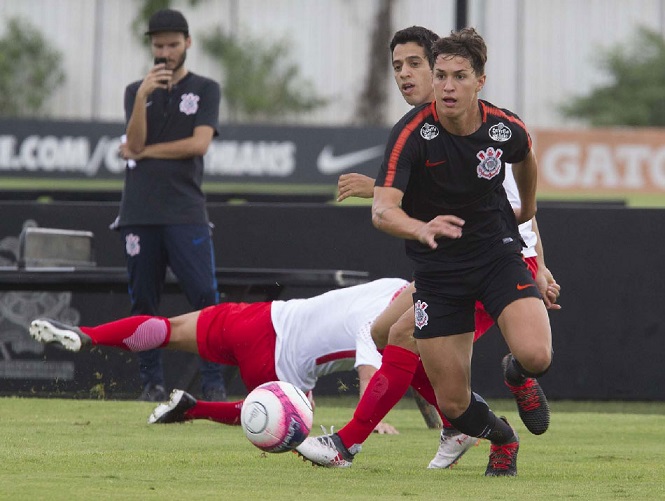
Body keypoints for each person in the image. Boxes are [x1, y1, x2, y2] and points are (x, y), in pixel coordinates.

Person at [298, 26, 559, 472]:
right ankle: (486, 431)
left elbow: (525, 160)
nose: (444, 85)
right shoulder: (412, 133)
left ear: (479, 79)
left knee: (534, 355)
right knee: (408, 358)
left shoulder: (500, 127)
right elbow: (386, 210)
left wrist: (533, 234)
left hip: (498, 255)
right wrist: (417, 225)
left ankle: (349, 441)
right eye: (438, 75)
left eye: (454, 75)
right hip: (439, 269)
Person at [28, 278, 411, 432]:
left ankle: (88, 335)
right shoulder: (394, 319)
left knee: (170, 329)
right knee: (296, 418)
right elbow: (371, 353)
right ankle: (194, 408)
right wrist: (370, 416)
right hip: (278, 365)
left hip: (261, 317)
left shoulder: (397, 286)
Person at [116, 8, 226, 402]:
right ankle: (151, 384)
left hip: (185, 212)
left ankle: (213, 384)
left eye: (173, 45)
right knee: (143, 301)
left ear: (187, 44)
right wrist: (144, 95)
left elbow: (198, 144)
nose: (165, 52)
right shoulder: (135, 90)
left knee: (204, 299)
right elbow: (135, 140)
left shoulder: (206, 88)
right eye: (159, 45)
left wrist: (143, 153)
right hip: (139, 213)